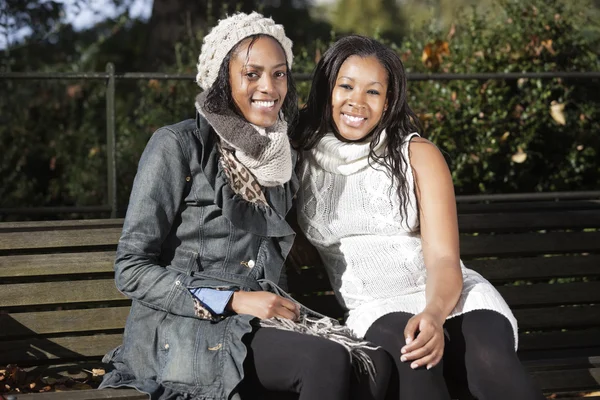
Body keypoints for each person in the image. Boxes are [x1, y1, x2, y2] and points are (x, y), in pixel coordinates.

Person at [99, 15, 389, 400]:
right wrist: (232, 300)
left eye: (279, 74)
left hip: (257, 322)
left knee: (375, 363)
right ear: (224, 78)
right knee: (324, 361)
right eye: (251, 74)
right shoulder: (178, 145)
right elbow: (131, 269)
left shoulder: (281, 154)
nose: (269, 88)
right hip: (188, 327)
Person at [293, 35, 545, 400]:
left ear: (389, 101)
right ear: (326, 89)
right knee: (412, 355)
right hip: (376, 306)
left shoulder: (417, 154)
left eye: (373, 92)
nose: (357, 102)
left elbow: (443, 258)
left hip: (450, 296)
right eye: (345, 86)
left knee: (491, 359)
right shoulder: (298, 157)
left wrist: (434, 313)